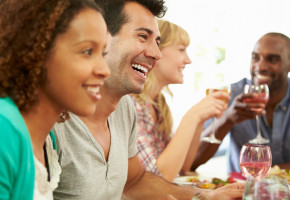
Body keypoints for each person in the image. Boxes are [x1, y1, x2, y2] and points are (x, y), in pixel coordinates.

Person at [53, 0, 244, 199]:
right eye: (143, 36)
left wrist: (204, 196)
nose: (156, 54)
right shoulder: (54, 121)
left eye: (158, 42)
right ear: (102, 36)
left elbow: (135, 182)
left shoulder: (124, 107)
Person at [0, 0, 110, 199]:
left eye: (103, 53)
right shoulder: (3, 131)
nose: (104, 70)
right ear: (37, 48)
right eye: (87, 51)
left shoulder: (47, 141)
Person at [130, 19, 230, 182]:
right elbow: (157, 179)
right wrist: (192, 117)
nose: (188, 60)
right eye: (181, 50)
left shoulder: (158, 103)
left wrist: (200, 119)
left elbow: (183, 167)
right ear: (157, 51)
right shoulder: (132, 104)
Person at [191, 32, 290, 173]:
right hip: (241, 191)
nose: (260, 66)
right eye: (255, 58)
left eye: (272, 59)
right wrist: (227, 119)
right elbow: (192, 161)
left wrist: (271, 171)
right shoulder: (232, 96)